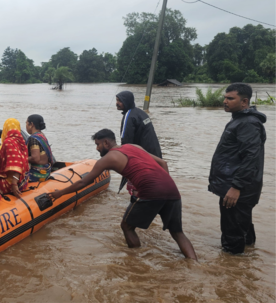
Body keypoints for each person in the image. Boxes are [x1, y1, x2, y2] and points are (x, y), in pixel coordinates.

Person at [49, 129, 197, 260]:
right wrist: (164, 185)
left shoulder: (108, 159)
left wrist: (60, 193)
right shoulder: (134, 146)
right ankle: (194, 264)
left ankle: (135, 262)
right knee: (177, 232)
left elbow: (82, 183)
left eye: (98, 144)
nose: (97, 148)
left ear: (106, 143)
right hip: (171, 189)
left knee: (127, 227)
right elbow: (163, 163)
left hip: (150, 191)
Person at [208, 83, 266, 254]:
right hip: (237, 185)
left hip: (237, 188)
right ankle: (248, 260)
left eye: (230, 98)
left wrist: (236, 187)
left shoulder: (247, 123)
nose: (225, 101)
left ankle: (231, 272)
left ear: (244, 101)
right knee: (242, 225)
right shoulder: (240, 120)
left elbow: (251, 158)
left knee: (232, 233)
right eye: (225, 97)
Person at [115, 91, 162, 197]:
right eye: (116, 100)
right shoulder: (141, 113)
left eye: (119, 101)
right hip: (154, 155)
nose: (117, 103)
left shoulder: (129, 116)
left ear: (126, 102)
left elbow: (126, 142)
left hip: (142, 159)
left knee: (138, 189)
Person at [0, 119, 30, 198]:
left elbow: (17, 162)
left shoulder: (8, 142)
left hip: (11, 184)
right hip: (23, 181)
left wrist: (14, 184)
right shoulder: (21, 141)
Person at [26, 114, 55, 182]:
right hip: (46, 171)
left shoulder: (33, 139)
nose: (26, 126)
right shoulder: (41, 135)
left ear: (31, 124)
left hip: (37, 173)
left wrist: (19, 158)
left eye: (26, 123)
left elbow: (35, 159)